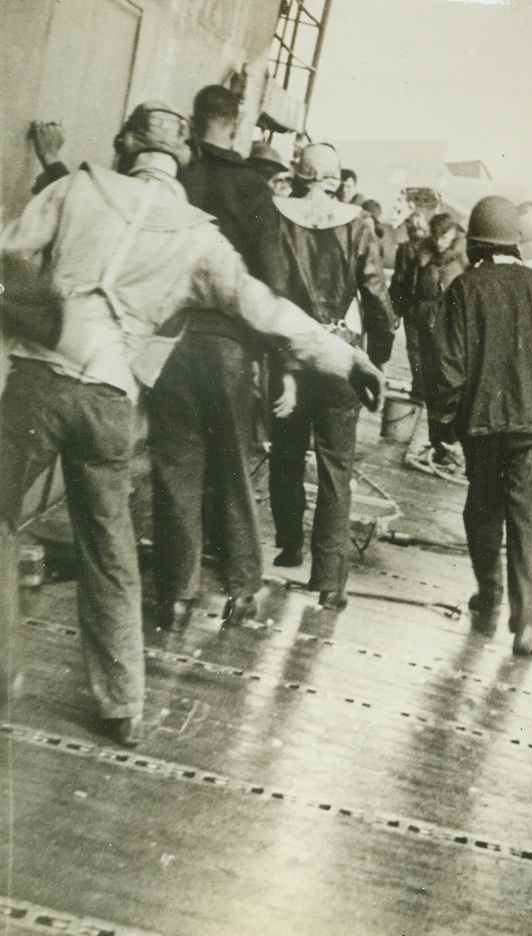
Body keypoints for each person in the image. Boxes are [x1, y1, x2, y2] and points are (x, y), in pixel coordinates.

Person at [0, 101, 385, 746]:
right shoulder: (198, 236)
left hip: (38, 386)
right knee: (112, 552)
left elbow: (9, 253)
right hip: (111, 399)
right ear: (182, 161)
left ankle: (6, 669)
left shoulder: (77, 187)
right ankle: (123, 703)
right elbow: (264, 306)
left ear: (123, 143)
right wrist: (344, 355)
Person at [144, 84, 287, 632]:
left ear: (195, 122)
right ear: (235, 122)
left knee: (176, 463)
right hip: (228, 345)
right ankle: (242, 590)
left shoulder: (177, 178)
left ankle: (174, 597)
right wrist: (273, 360)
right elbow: (271, 281)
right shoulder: (253, 188)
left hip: (169, 340)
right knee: (231, 464)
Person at [428, 195, 532, 655]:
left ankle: (489, 594)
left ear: (475, 244)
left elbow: (447, 370)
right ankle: (527, 624)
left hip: (483, 423)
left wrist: (442, 425)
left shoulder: (463, 289)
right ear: (516, 244)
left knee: (481, 509)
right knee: (527, 516)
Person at [268, 142, 394, 610]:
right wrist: (374, 360)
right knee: (335, 467)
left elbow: (269, 290)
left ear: (299, 174)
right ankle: (329, 580)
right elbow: (377, 297)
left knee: (285, 453)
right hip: (341, 354)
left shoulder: (278, 214)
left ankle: (289, 543)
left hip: (289, 350)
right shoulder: (358, 223)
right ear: (337, 179)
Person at [401, 212, 468, 474]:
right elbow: (407, 285)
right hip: (421, 322)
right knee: (428, 386)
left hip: (450, 329)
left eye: (445, 237)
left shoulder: (462, 259)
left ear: (453, 236)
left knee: (447, 387)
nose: (440, 242)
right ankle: (438, 445)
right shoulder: (422, 255)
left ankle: (447, 447)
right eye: (436, 236)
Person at [389, 212, 430, 390]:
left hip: (411, 305)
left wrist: (395, 311)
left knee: (414, 349)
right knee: (430, 347)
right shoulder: (433, 248)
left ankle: (418, 385)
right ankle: (429, 386)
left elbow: (399, 280)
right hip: (431, 305)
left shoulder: (405, 249)